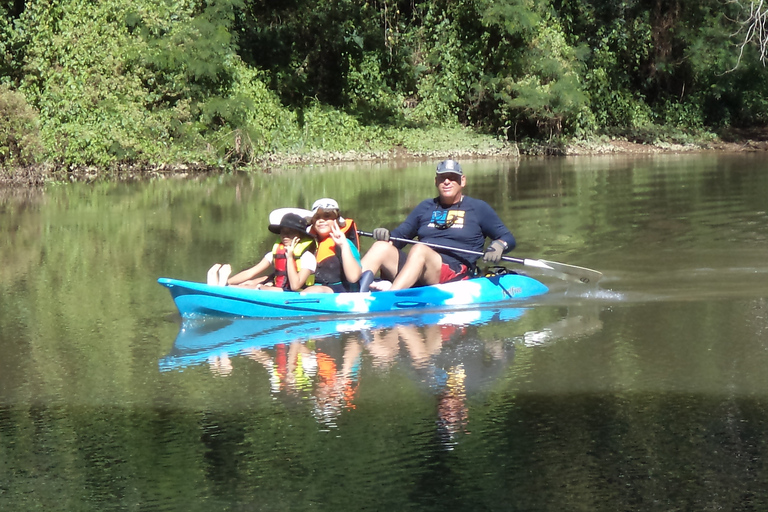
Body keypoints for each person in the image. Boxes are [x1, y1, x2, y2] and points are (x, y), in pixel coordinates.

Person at [360, 159, 516, 291]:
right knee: (381, 246)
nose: (446, 181)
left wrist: (499, 246)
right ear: (436, 182)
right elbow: (400, 236)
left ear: (463, 181)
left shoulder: (478, 208)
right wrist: (386, 236)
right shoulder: (425, 206)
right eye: (442, 178)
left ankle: (389, 298)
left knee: (420, 249)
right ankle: (351, 289)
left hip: (453, 272)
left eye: (452, 177)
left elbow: (507, 237)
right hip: (418, 266)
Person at [207, 212, 317, 291]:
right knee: (247, 284)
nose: (285, 236)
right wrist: (229, 281)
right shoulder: (273, 253)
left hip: (295, 294)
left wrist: (289, 257)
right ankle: (223, 285)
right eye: (283, 232)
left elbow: (295, 286)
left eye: (291, 232)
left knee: (258, 287)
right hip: (277, 289)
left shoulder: (308, 258)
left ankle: (225, 287)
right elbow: (251, 272)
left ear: (300, 236)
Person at [302, 198, 363, 293]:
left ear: (337, 221)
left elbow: (354, 277)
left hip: (340, 291)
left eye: (327, 216)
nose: (321, 220)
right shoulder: (309, 244)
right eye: (317, 217)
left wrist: (343, 245)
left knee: (312, 291)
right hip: (312, 288)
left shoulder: (345, 243)